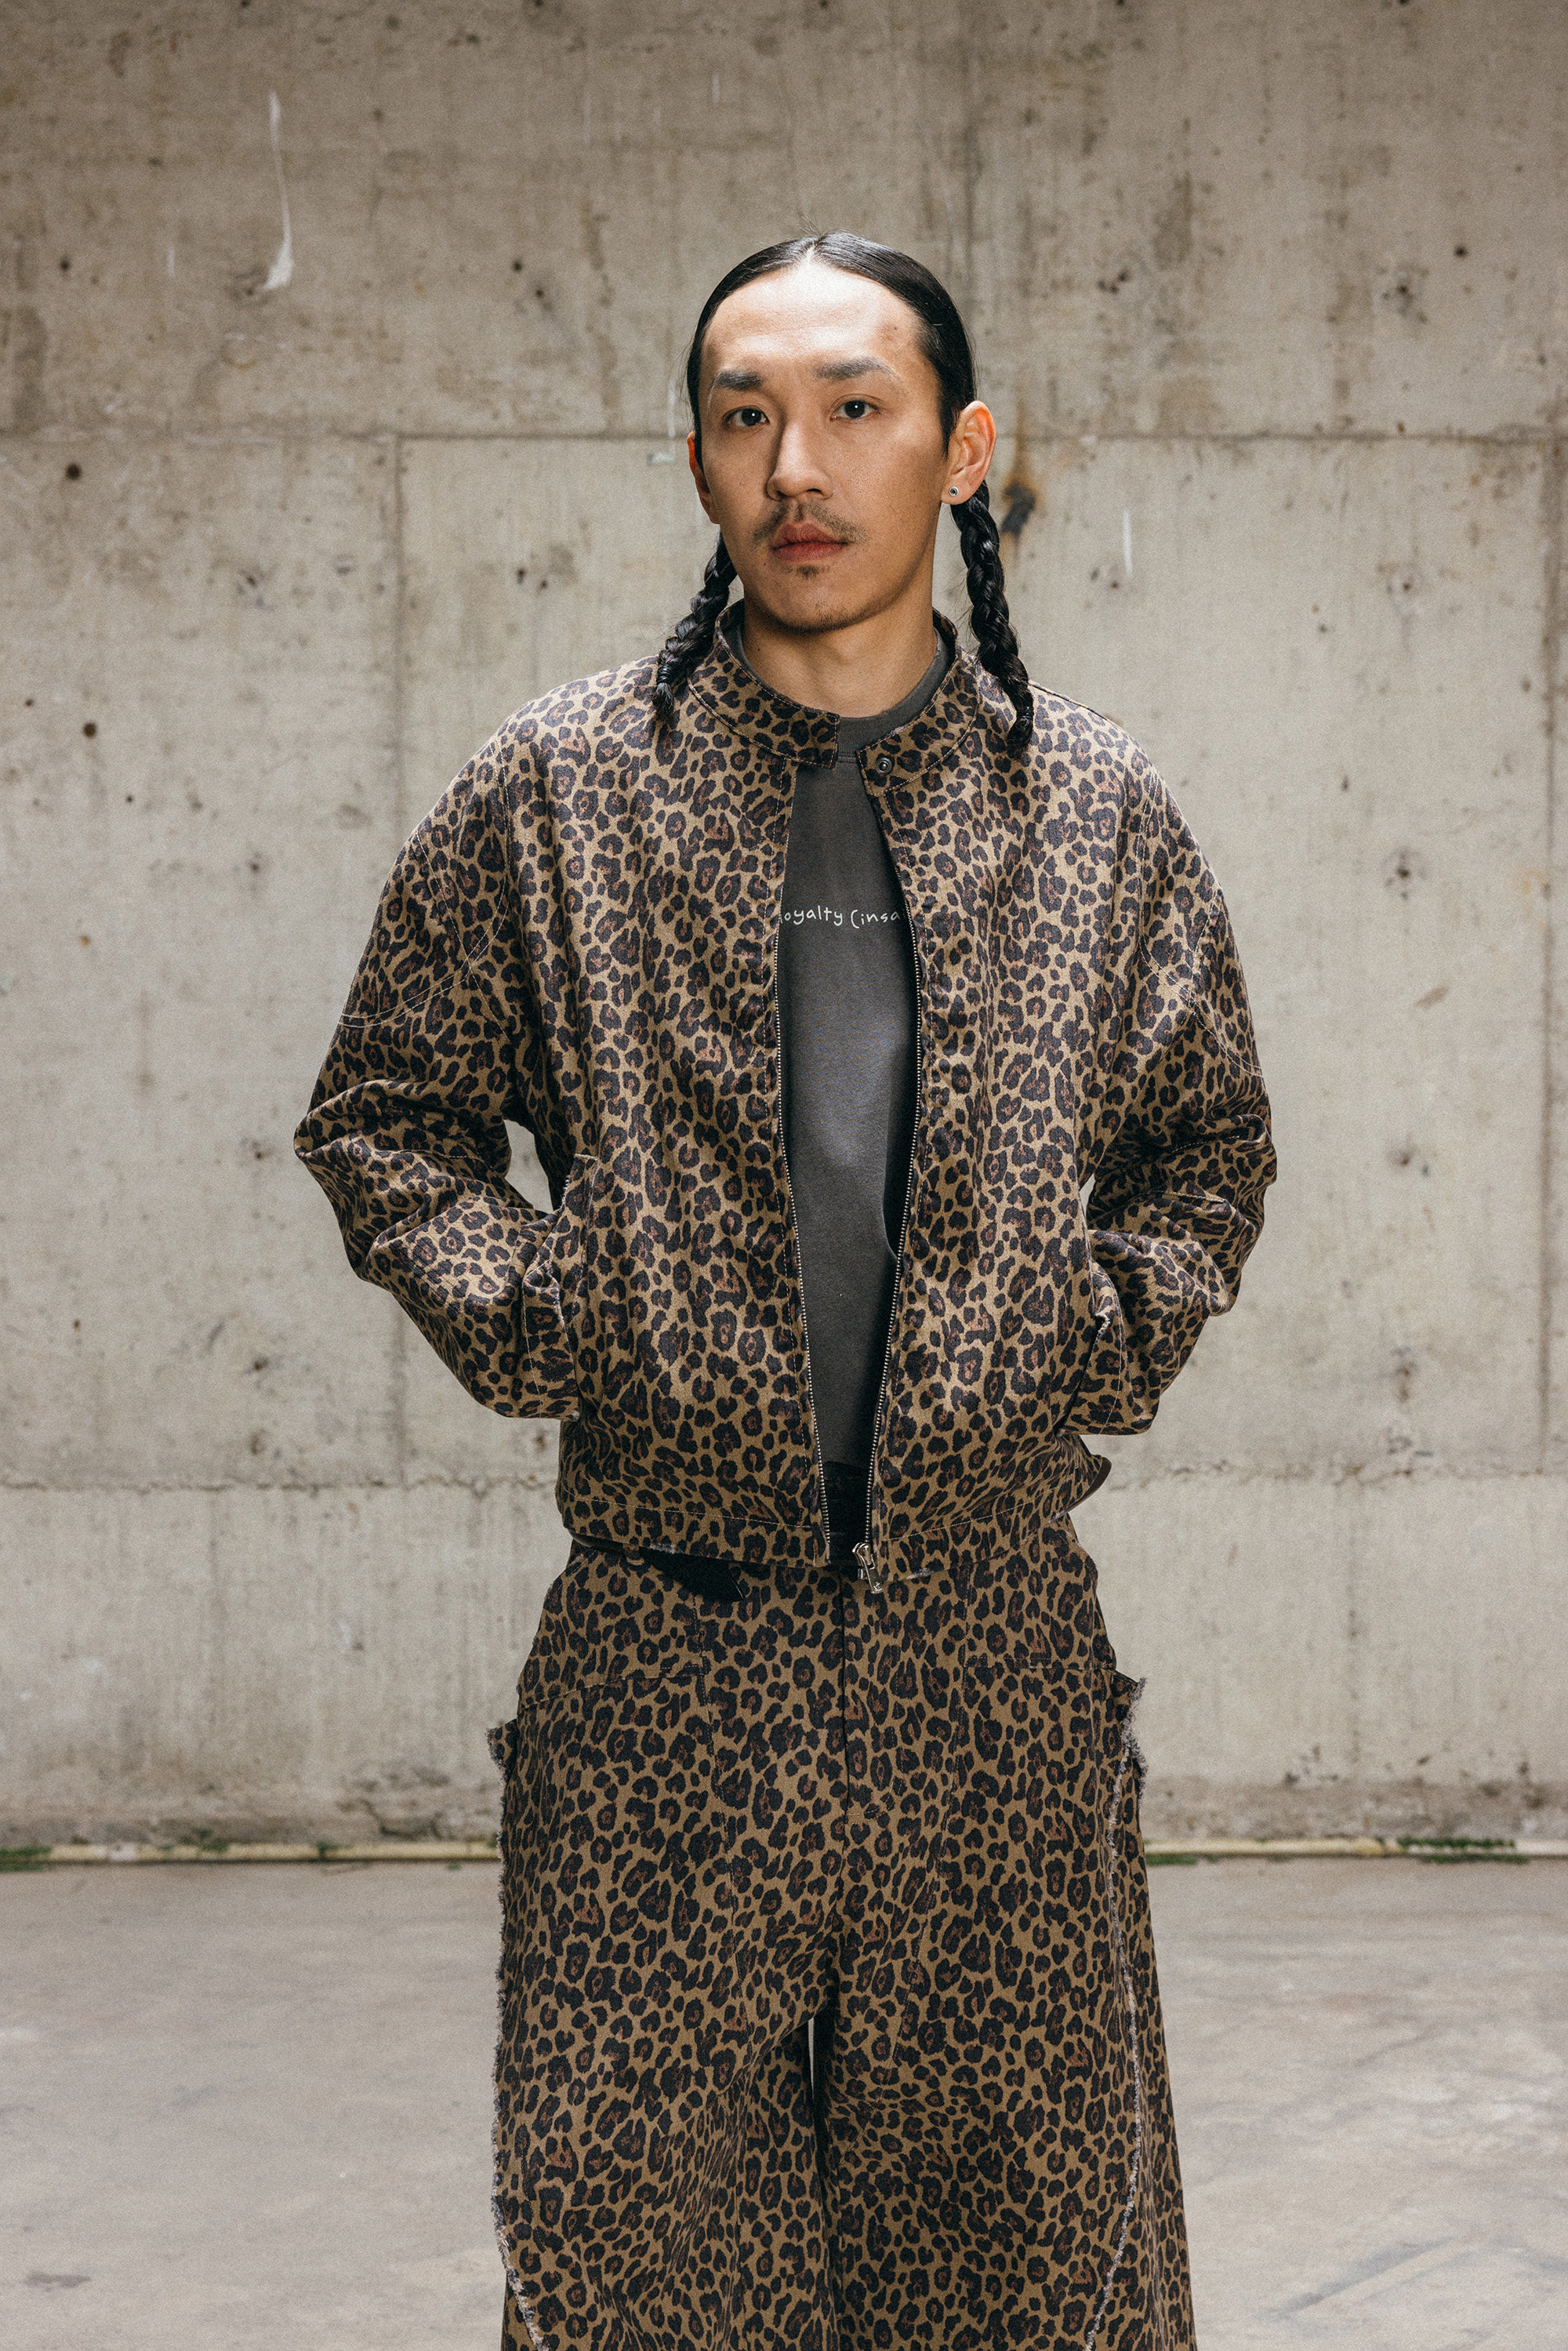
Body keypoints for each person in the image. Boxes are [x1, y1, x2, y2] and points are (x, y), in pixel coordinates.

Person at [297, 231, 1275, 2351]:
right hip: (666, 1671)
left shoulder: (1092, 815)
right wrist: (564, 1320)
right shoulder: (561, 793)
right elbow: (385, 1114)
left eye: (853, 408)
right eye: (744, 417)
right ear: (697, 463)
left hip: (990, 1674)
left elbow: (1211, 1153)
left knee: (1035, 2272)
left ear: (965, 452)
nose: (796, 466)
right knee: (643, 2272)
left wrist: (1078, 1342)